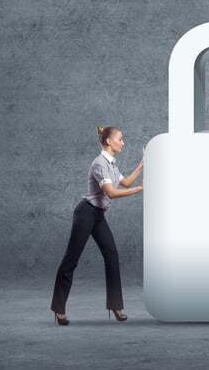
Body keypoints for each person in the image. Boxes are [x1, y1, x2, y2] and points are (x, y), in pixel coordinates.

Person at [50, 126, 144, 325]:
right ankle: (59, 309)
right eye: (120, 139)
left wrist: (142, 165)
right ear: (109, 141)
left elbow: (125, 182)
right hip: (86, 213)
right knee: (71, 259)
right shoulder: (99, 164)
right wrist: (141, 188)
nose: (123, 142)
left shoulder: (112, 164)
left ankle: (115, 306)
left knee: (111, 254)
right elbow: (111, 192)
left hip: (98, 215)